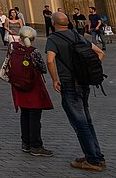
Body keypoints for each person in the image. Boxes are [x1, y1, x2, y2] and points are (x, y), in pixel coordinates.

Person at [45, 11, 107, 171]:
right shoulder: (77, 35)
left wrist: (54, 80)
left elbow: (50, 60)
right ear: (67, 23)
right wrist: (89, 71)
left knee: (80, 124)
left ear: (53, 23)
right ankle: (96, 156)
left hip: (69, 85)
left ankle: (92, 160)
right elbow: (100, 52)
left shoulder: (53, 38)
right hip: (83, 83)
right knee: (87, 121)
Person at [7, 26, 54, 157]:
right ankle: (36, 146)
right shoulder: (34, 52)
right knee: (34, 117)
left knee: (24, 114)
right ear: (32, 39)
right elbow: (43, 68)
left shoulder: (12, 49)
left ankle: (26, 143)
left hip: (18, 86)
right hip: (33, 87)